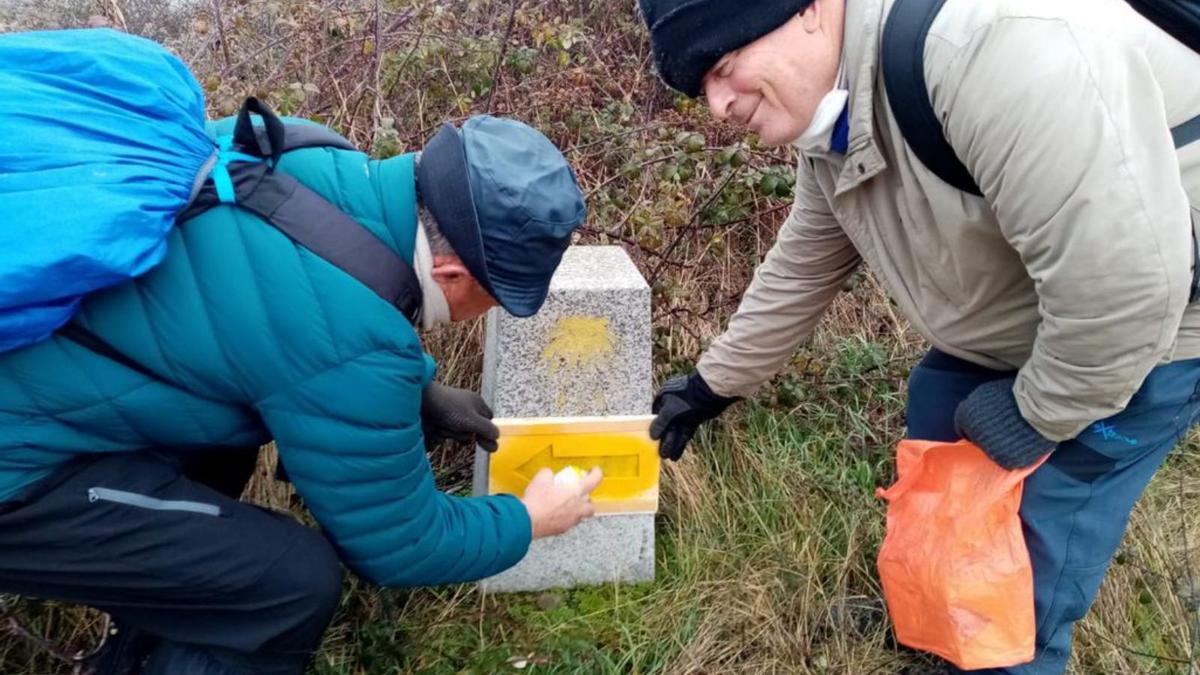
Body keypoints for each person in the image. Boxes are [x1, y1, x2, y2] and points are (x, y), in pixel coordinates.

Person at [639, 0, 1200, 672]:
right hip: (1027, 315)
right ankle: (938, 629)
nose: (719, 105)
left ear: (812, 11)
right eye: (701, 88)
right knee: (939, 451)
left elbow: (1126, 288)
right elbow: (806, 260)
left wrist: (1038, 414)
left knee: (1017, 570)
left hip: (1146, 337)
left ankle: (996, 651)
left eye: (724, 68)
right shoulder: (839, 112)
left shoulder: (991, 52)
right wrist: (711, 385)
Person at [0, 108, 599, 674]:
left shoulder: (305, 153)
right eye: (497, 296)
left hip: (40, 387)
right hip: (17, 473)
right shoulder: (358, 348)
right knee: (287, 584)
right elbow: (403, 545)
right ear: (451, 274)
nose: (486, 312)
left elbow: (275, 301)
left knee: (224, 458)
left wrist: (420, 390)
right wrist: (530, 519)